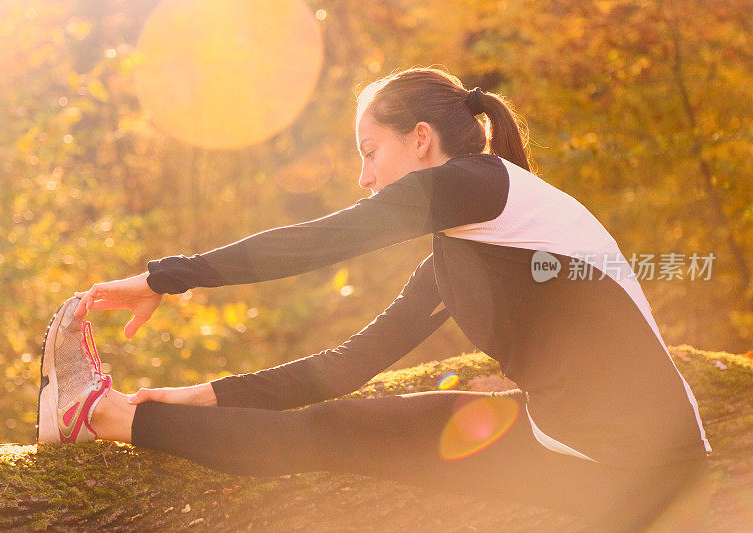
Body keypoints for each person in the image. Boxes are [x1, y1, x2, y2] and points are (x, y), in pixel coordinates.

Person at [36, 67, 714, 530]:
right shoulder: (469, 241)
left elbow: (318, 242)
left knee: (330, 436)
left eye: (370, 152)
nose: (364, 178)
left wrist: (164, 277)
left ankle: (97, 415)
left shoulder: (479, 184)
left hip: (628, 467)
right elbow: (346, 365)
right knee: (338, 421)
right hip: (609, 448)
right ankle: (125, 413)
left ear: (421, 140)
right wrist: (198, 395)